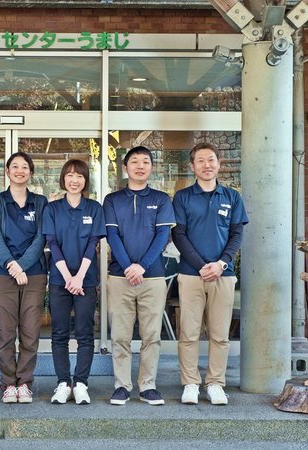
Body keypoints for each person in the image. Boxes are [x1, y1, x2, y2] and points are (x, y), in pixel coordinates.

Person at [172, 142, 248, 405]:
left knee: (219, 334)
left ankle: (215, 383)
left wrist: (221, 264)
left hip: (223, 275)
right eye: (201, 160)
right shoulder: (182, 197)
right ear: (192, 166)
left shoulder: (232, 197)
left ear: (219, 164)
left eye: (211, 160)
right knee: (189, 333)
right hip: (191, 275)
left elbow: (237, 234)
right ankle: (190, 383)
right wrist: (202, 265)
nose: (207, 164)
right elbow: (178, 234)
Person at [103, 146, 175, 406]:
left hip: (153, 278)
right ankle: (122, 385)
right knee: (120, 335)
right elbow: (112, 236)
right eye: (135, 161)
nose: (140, 166)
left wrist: (141, 266)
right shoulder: (112, 200)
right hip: (119, 278)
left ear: (151, 167)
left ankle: (147, 386)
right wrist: (128, 267)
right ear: (126, 167)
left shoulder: (162, 199)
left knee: (151, 335)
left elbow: (162, 237)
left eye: (146, 161)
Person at [42, 159, 105, 405]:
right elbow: (52, 243)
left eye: (79, 175)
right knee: (58, 333)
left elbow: (93, 244)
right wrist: (69, 278)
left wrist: (79, 277)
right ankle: (62, 383)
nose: (74, 179)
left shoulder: (94, 208)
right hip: (60, 280)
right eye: (69, 175)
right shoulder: (52, 208)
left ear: (85, 180)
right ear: (63, 179)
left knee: (85, 333)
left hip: (86, 281)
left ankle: (80, 383)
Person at [0, 151, 48, 404]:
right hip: (3, 274)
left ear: (31, 172)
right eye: (15, 166)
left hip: (33, 273)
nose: (20, 170)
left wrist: (22, 266)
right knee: (5, 331)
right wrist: (12, 265)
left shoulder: (40, 202)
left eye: (25, 167)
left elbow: (42, 237)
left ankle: (25, 382)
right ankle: (8, 383)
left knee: (31, 331)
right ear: (8, 172)